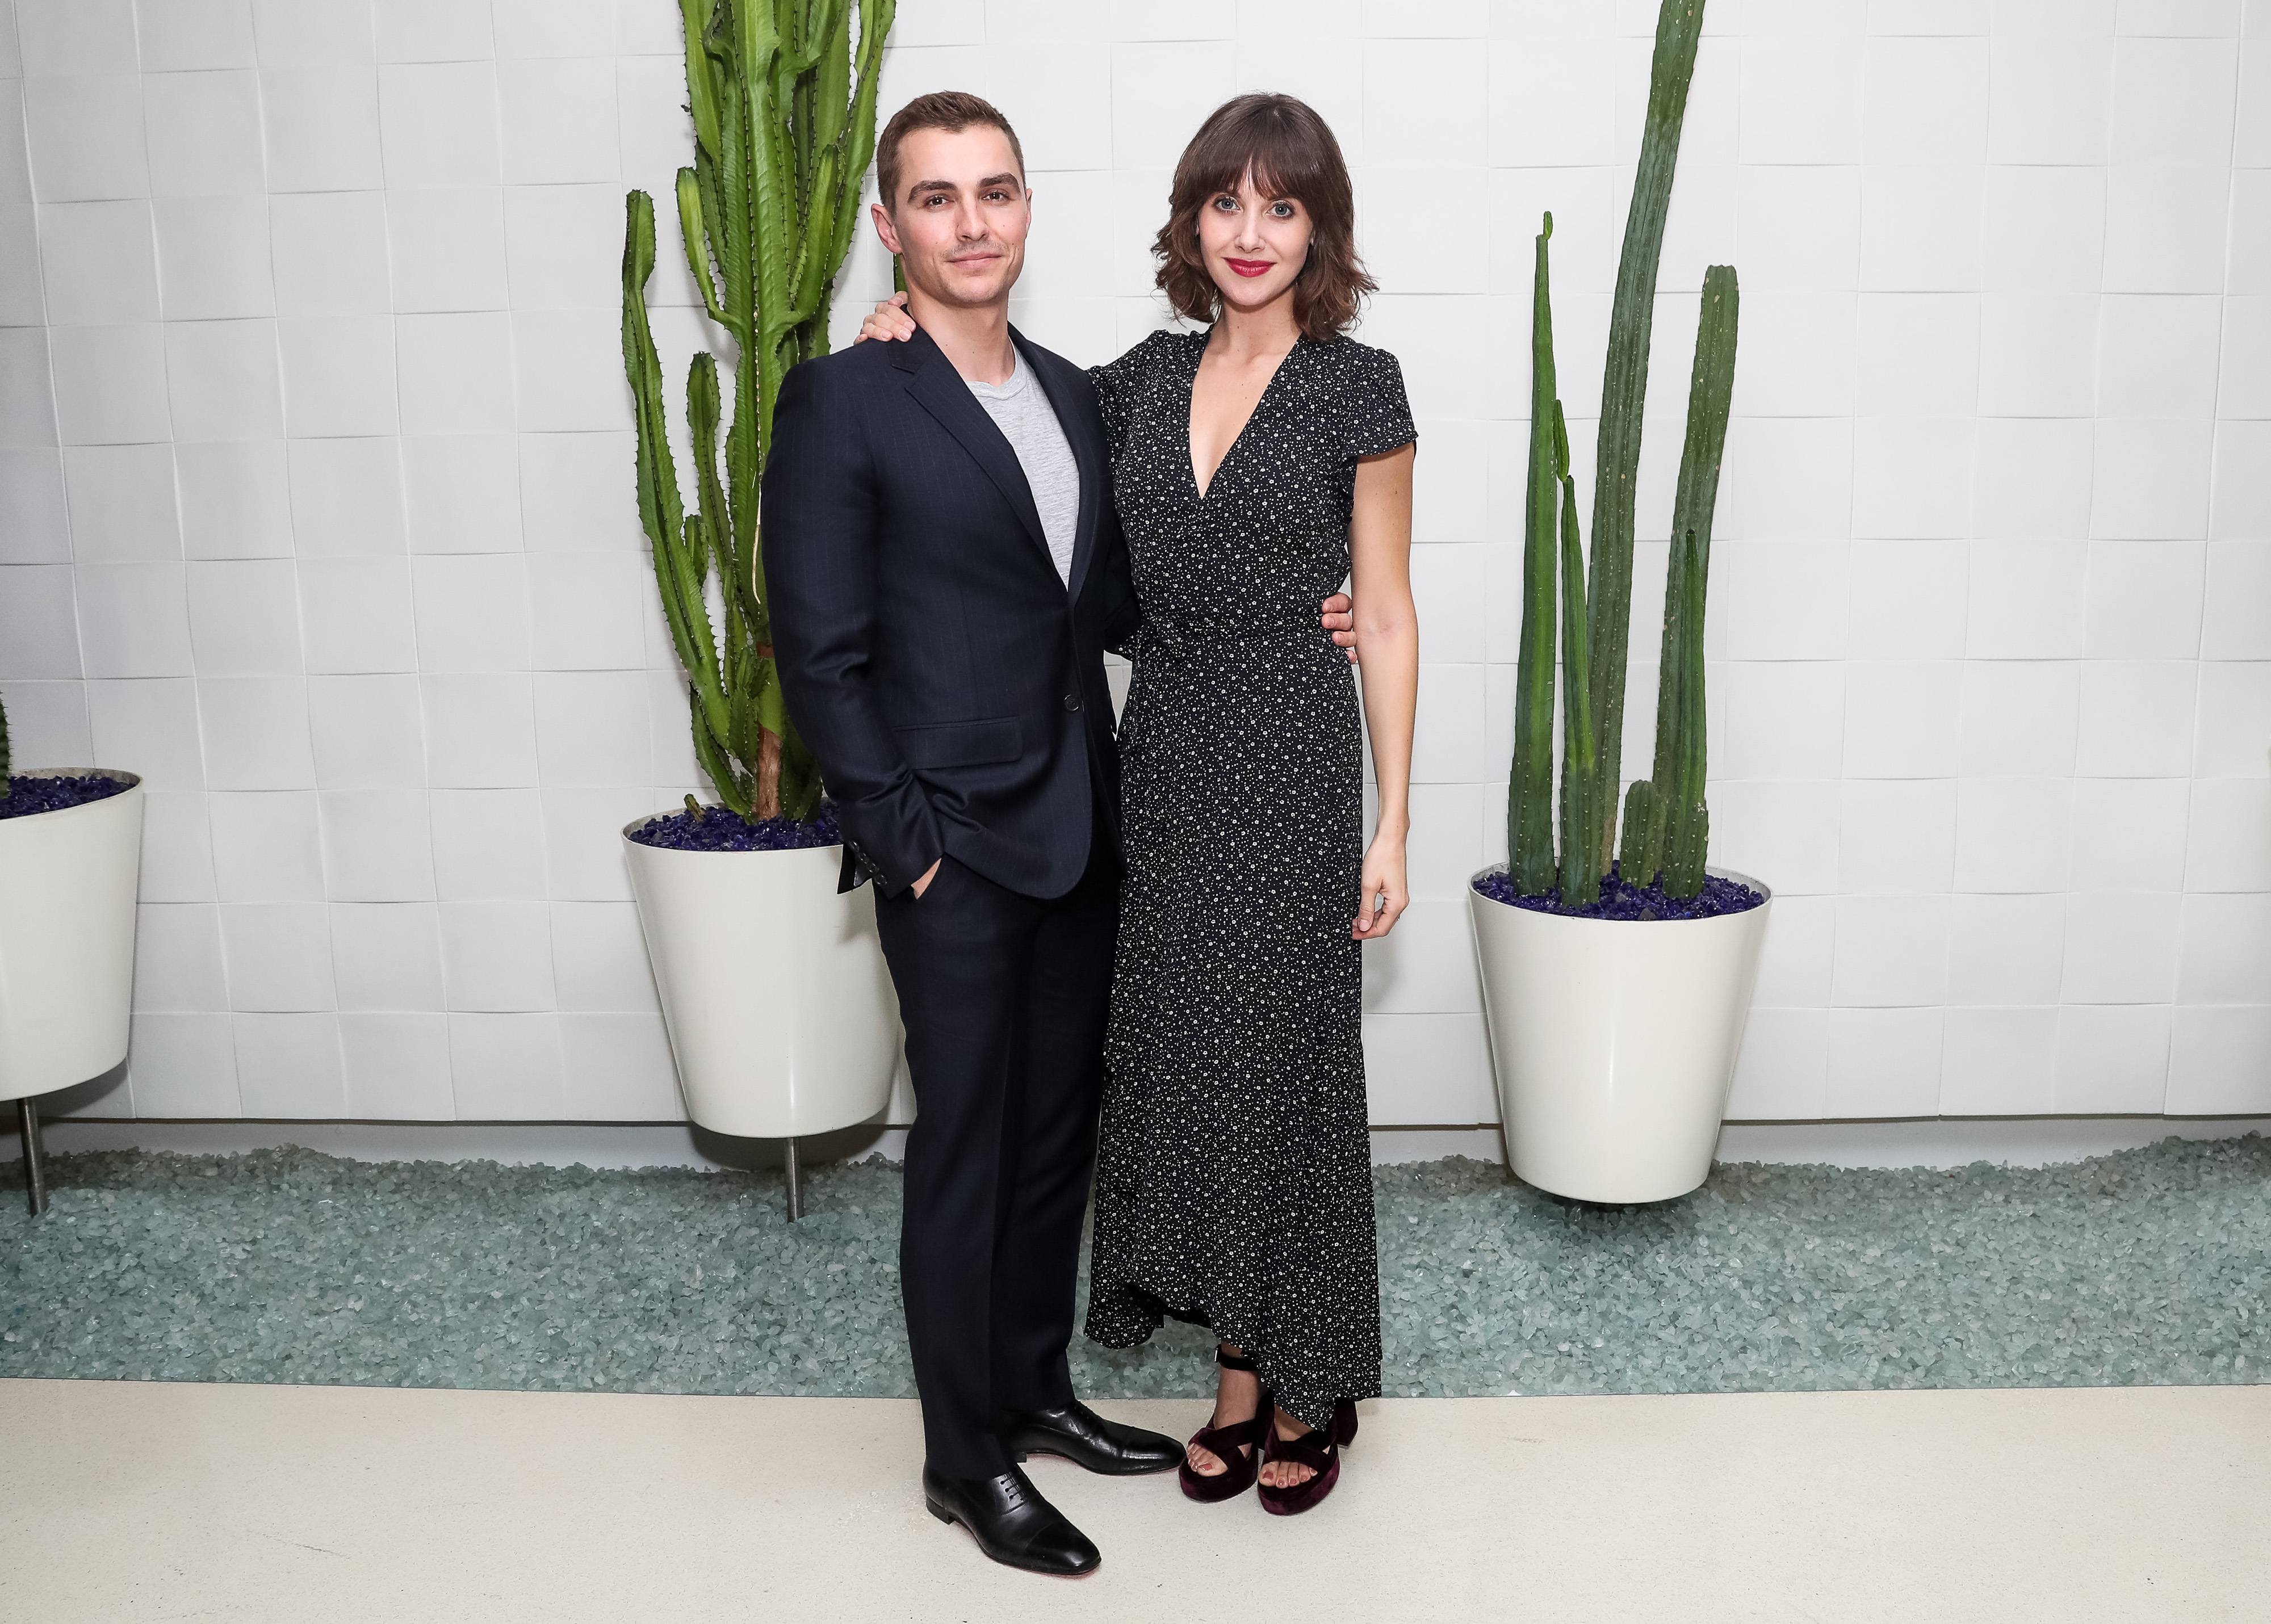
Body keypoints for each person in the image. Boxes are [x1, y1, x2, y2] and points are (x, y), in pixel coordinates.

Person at [762, 92, 1358, 1576]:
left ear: (1029, 209)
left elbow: (1124, 595)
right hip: (951, 851)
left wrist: (1310, 608)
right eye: (939, 197)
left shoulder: (1081, 395)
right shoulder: (845, 400)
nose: (974, 223)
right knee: (965, 1149)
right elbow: (819, 652)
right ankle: (963, 1457)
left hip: (1091, 832)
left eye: (998, 191)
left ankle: (1033, 1393)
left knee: (1050, 1146)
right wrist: (904, 841)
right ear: (889, 226)